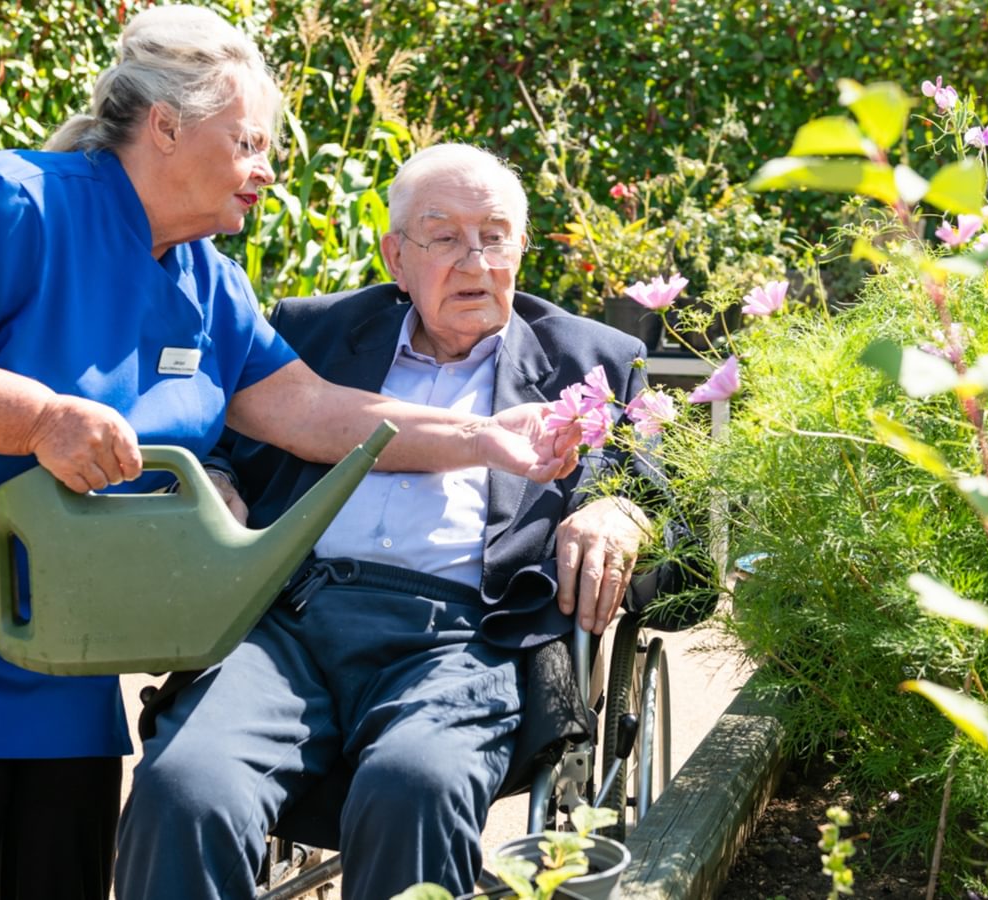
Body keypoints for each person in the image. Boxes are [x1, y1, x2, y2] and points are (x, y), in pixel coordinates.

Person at [0, 12, 575, 900]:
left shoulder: (205, 279)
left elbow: (310, 411)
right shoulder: (10, 203)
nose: (268, 169)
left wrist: (485, 439)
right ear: (166, 127)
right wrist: (39, 416)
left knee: (65, 857)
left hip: (40, 595)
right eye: (251, 142)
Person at [116, 143, 678, 900]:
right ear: (396, 256)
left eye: (495, 235)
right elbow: (218, 436)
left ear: (521, 248)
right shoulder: (311, 335)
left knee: (414, 784)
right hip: (290, 622)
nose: (474, 260)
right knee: (186, 786)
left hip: (464, 637)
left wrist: (622, 512)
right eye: (443, 236)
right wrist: (215, 477)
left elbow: (670, 515)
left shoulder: (594, 360)